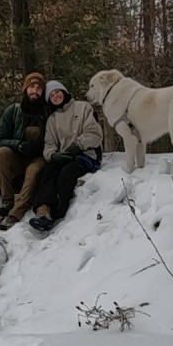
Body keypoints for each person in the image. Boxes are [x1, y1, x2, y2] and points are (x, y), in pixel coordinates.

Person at [29, 80, 103, 232]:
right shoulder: (52, 119)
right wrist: (53, 155)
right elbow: (49, 144)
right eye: (52, 95)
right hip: (64, 156)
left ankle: (58, 213)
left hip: (86, 154)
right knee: (48, 171)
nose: (56, 96)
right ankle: (43, 210)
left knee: (66, 174)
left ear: (64, 92)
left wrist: (78, 145)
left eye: (58, 92)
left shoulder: (83, 107)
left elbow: (95, 134)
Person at [0, 72, 50, 230]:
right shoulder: (13, 111)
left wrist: (40, 148)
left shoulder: (48, 112)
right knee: (1, 153)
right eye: (31, 87)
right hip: (18, 156)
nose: (35, 91)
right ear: (25, 89)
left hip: (38, 158)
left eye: (39, 88)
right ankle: (7, 199)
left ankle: (16, 212)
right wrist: (17, 145)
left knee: (33, 171)